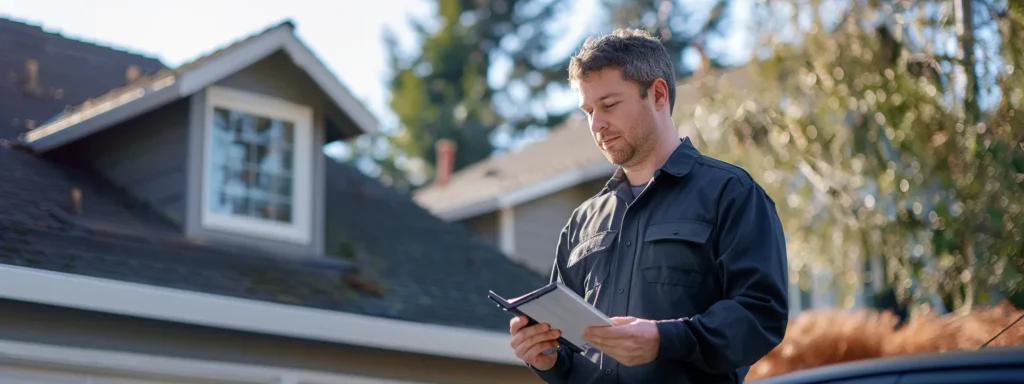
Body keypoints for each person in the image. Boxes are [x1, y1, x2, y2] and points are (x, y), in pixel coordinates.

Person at [508, 28, 790, 383]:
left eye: (609, 105)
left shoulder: (731, 194)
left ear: (657, 94)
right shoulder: (582, 223)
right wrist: (546, 357)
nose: (596, 124)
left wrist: (665, 340)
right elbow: (569, 350)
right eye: (588, 110)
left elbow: (761, 314)